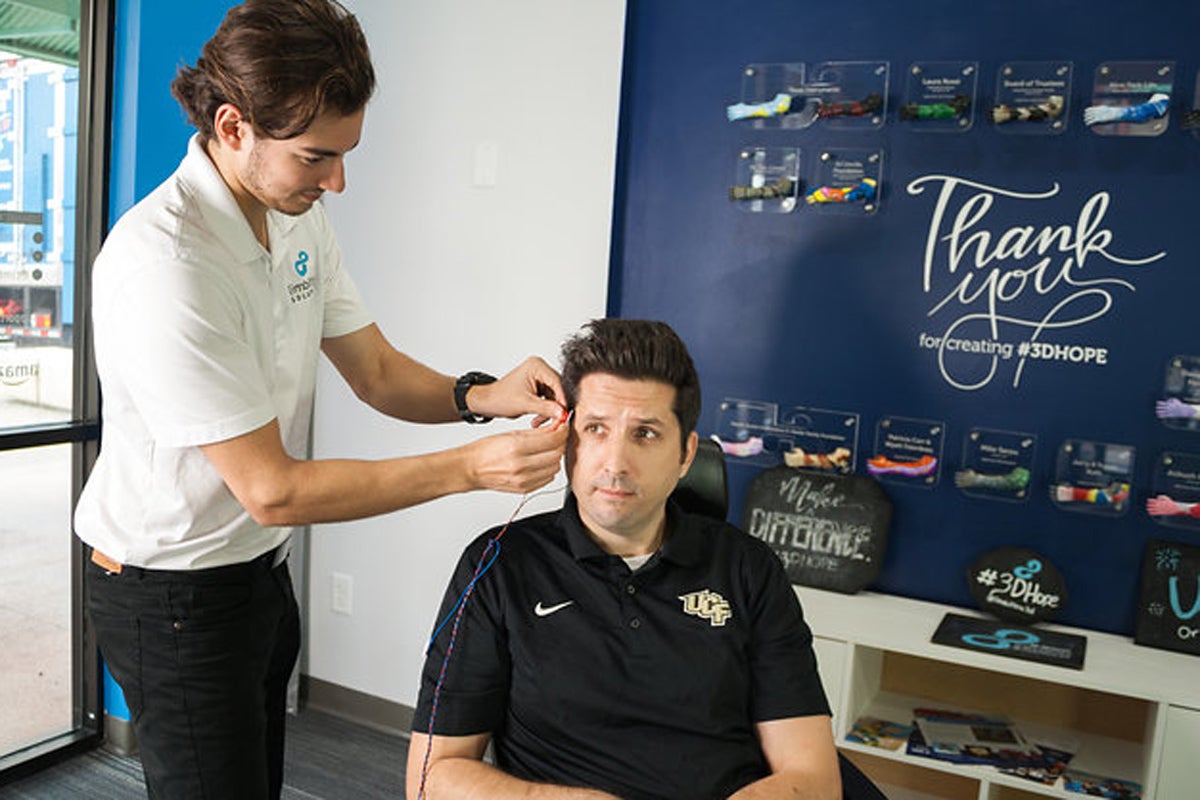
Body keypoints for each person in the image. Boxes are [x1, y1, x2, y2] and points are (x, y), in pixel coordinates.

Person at [73, 1, 567, 797]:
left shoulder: (296, 217)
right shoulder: (165, 264)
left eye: (344, 153)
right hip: (169, 589)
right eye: (315, 157)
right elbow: (273, 489)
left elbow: (374, 370)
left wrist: (483, 395)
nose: (337, 180)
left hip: (258, 571)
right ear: (233, 128)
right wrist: (472, 469)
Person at [408, 319, 841, 800]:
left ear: (685, 454)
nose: (615, 463)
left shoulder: (748, 570)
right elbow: (431, 779)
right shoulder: (497, 565)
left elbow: (813, 779)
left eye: (646, 434)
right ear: (564, 438)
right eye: (595, 428)